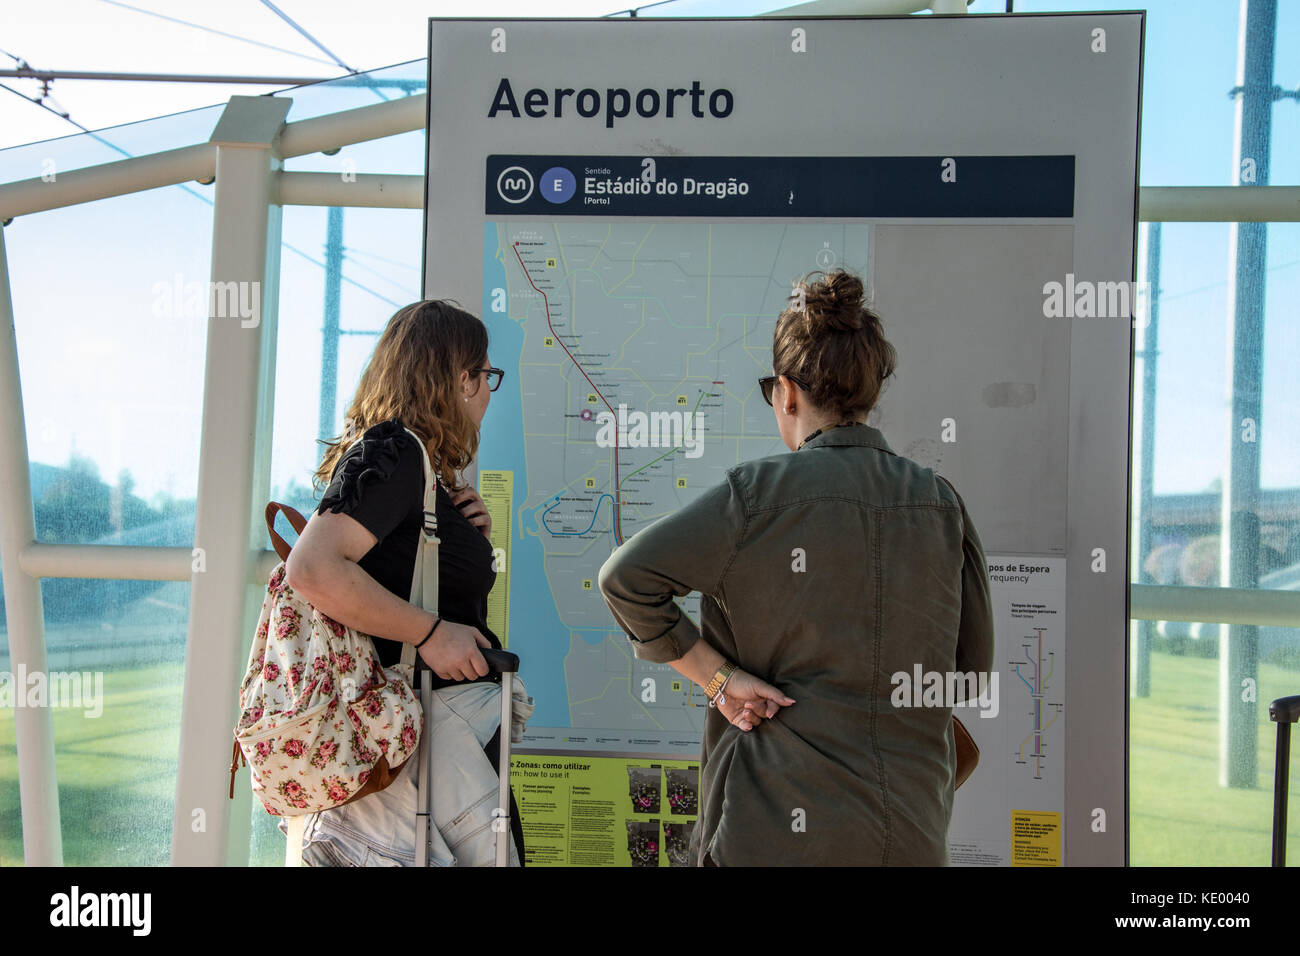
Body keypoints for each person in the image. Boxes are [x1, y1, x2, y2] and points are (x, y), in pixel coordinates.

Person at [598, 269, 995, 866]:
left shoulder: (754, 498)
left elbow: (625, 579)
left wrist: (719, 680)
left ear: (786, 392)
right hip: (909, 832)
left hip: (770, 828)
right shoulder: (942, 505)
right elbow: (970, 670)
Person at [283, 298, 525, 865]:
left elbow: (385, 569)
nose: (489, 391)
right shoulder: (395, 452)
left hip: (428, 747)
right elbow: (312, 567)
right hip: (419, 754)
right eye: (486, 375)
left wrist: (469, 540)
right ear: (460, 379)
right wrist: (431, 633)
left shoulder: (416, 469)